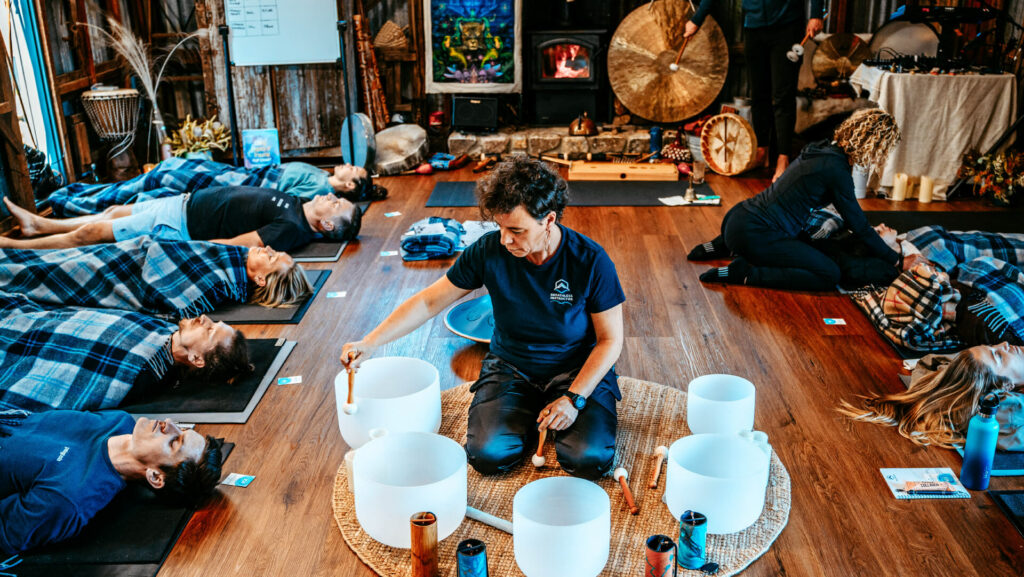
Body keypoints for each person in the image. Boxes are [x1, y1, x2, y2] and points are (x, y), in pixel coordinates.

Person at [340, 157, 625, 480]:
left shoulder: (590, 260)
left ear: (548, 220)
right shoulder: (489, 250)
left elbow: (610, 340)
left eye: (516, 230)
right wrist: (370, 342)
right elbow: (428, 302)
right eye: (500, 228)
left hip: (575, 369)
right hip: (512, 367)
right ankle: (528, 413)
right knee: (488, 455)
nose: (505, 239)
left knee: (588, 460)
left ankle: (552, 410)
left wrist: (573, 399)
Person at [689, 109, 901, 291]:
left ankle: (722, 247)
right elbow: (859, 225)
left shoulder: (820, 149)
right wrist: (897, 260)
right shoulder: (837, 170)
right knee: (829, 274)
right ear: (874, 148)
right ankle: (746, 272)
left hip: (738, 217)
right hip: (754, 233)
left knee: (808, 243)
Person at [0, 410, 223, 555]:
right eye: (181, 429)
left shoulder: (69, 499)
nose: (168, 424)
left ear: (155, 477)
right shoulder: (120, 421)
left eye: (174, 441)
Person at [0, 293, 251, 412]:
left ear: (196, 359)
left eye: (210, 331)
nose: (205, 319)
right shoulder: (162, 329)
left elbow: (67, 379)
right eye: (214, 322)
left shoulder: (140, 371)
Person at [685, 0, 824, 181]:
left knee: (783, 96)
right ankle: (762, 152)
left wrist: (816, 14)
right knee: (758, 95)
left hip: (787, 27)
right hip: (753, 27)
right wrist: (696, 19)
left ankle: (783, 158)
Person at [0, 184, 361, 253]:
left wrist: (188, 247)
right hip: (185, 204)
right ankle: (39, 225)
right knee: (111, 212)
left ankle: (15, 247)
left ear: (327, 225)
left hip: (181, 224)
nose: (331, 197)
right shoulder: (297, 206)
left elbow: (237, 245)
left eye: (335, 205)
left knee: (92, 232)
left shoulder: (292, 230)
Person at [0, 238, 312, 314]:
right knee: (52, 261)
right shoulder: (232, 259)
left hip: (122, 272)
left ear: (260, 280)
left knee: (43, 273)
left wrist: (151, 251)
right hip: (128, 253)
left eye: (272, 257)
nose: (267, 248)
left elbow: (169, 296)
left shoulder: (220, 284)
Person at [837, 343, 1024, 450]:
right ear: (1005, 387)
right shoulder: (1008, 415)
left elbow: (936, 365)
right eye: (999, 355)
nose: (1004, 344)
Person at [46, 157, 373, 217]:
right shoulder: (319, 174)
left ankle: (71, 203)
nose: (347, 163)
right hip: (235, 173)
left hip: (236, 184)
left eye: (352, 169)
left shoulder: (317, 192)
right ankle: (77, 195)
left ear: (348, 184)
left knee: (157, 181)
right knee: (160, 172)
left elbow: (277, 198)